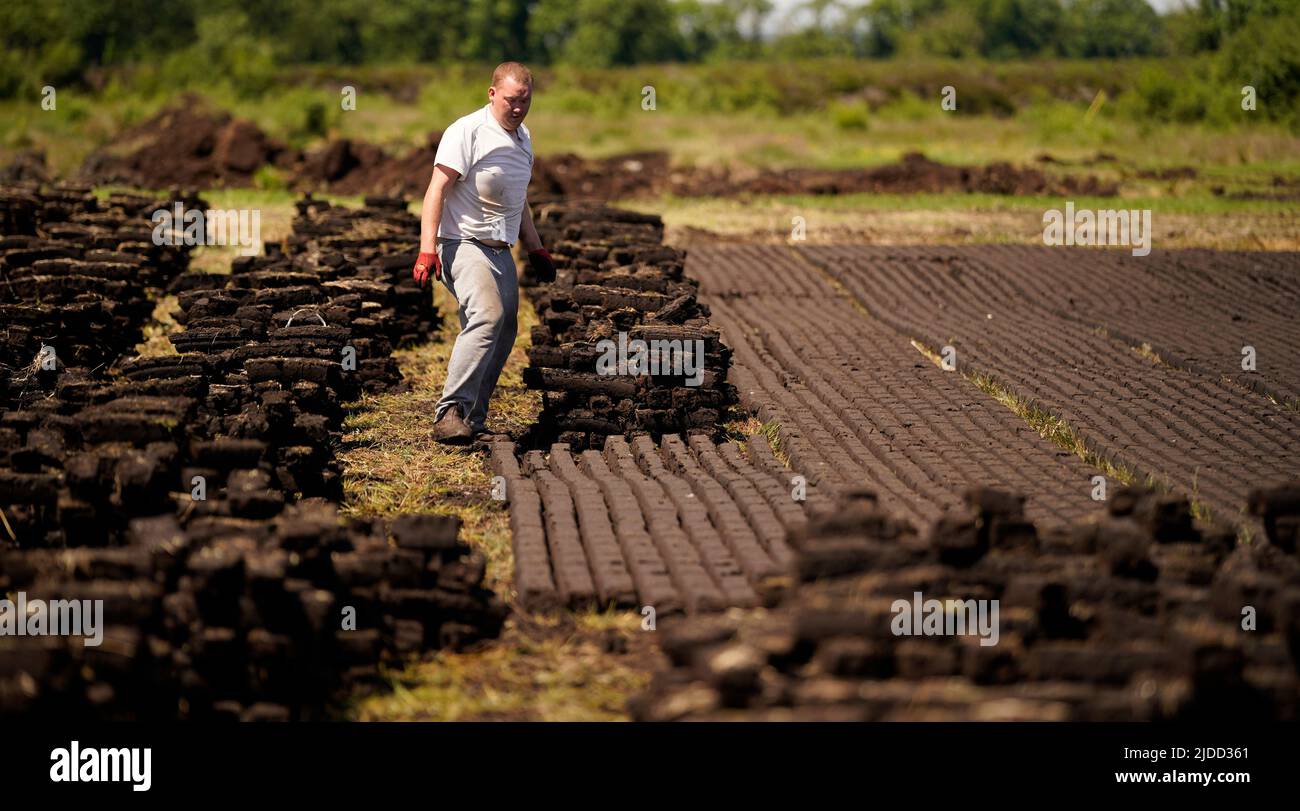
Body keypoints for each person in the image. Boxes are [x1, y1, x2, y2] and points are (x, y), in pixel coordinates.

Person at [413, 61, 556, 445]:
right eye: (511, 100)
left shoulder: (523, 138)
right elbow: (436, 190)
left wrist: (536, 246)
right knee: (487, 316)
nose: (517, 108)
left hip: (500, 250)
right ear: (492, 94)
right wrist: (428, 250)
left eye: (525, 101)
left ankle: (473, 419)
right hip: (462, 243)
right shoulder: (468, 131)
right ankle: (449, 412)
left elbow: (519, 200)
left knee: (506, 329)